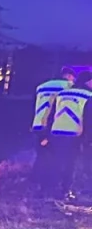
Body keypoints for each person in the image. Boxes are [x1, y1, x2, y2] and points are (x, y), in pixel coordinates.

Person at [46, 71, 92, 199]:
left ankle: (51, 189)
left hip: (56, 132)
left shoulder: (61, 94)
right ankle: (65, 191)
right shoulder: (88, 95)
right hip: (74, 134)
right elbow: (89, 118)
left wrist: (47, 133)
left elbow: (51, 115)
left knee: (56, 161)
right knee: (70, 163)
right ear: (88, 82)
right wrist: (88, 138)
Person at [32, 66, 75, 190]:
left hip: (38, 124)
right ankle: (50, 186)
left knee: (41, 154)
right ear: (69, 76)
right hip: (55, 125)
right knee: (55, 157)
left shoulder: (42, 86)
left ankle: (36, 183)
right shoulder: (68, 86)